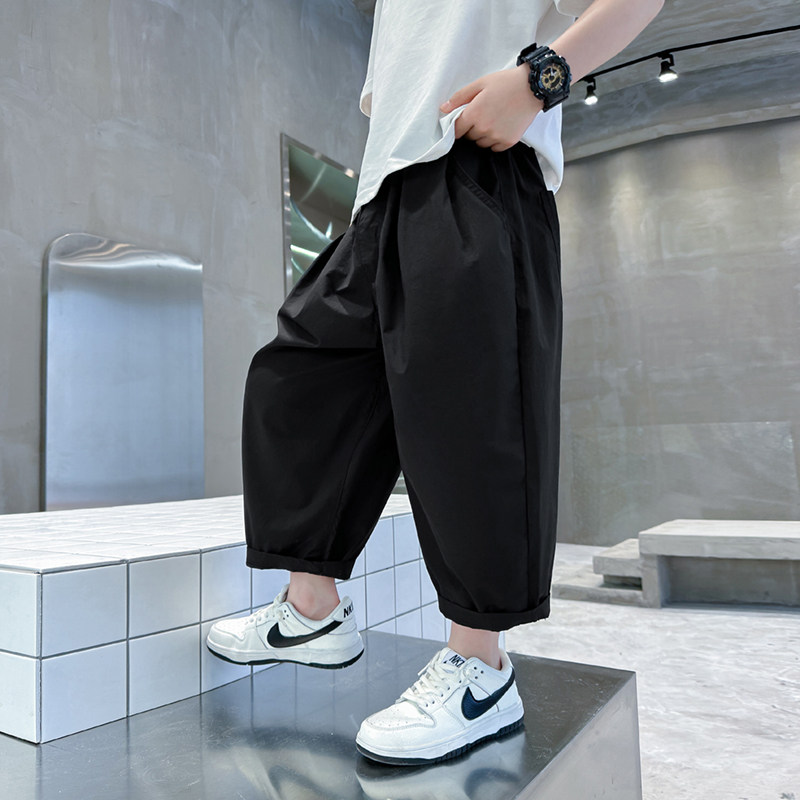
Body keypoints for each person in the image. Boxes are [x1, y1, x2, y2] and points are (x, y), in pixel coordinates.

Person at [207, 0, 664, 766]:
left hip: (480, 165)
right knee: (297, 379)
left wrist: (539, 80)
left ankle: (481, 666)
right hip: (385, 194)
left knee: (471, 420)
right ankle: (313, 608)